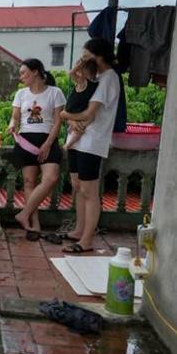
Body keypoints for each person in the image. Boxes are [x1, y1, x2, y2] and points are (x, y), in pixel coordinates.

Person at [60, 38, 121, 253]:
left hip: (92, 141)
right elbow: (80, 105)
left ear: (99, 56)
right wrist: (70, 119)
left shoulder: (109, 78)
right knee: (77, 186)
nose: (83, 60)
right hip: (78, 139)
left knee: (89, 190)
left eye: (86, 56)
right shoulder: (94, 78)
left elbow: (89, 113)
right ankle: (78, 230)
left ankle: (86, 240)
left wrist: (66, 115)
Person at [7, 58, 66, 240]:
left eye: (23, 73)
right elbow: (15, 117)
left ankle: (23, 214)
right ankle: (35, 225)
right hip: (26, 140)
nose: (21, 77)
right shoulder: (21, 94)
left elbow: (58, 122)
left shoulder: (55, 93)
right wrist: (11, 125)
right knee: (29, 182)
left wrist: (47, 144)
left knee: (51, 178)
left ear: (35, 72)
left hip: (47, 139)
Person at [63, 59, 99, 151]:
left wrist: (81, 64)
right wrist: (81, 64)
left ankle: (69, 143)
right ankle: (69, 143)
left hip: (80, 111)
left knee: (81, 126)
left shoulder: (88, 82)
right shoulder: (82, 82)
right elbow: (72, 73)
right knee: (79, 127)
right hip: (75, 111)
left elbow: (72, 73)